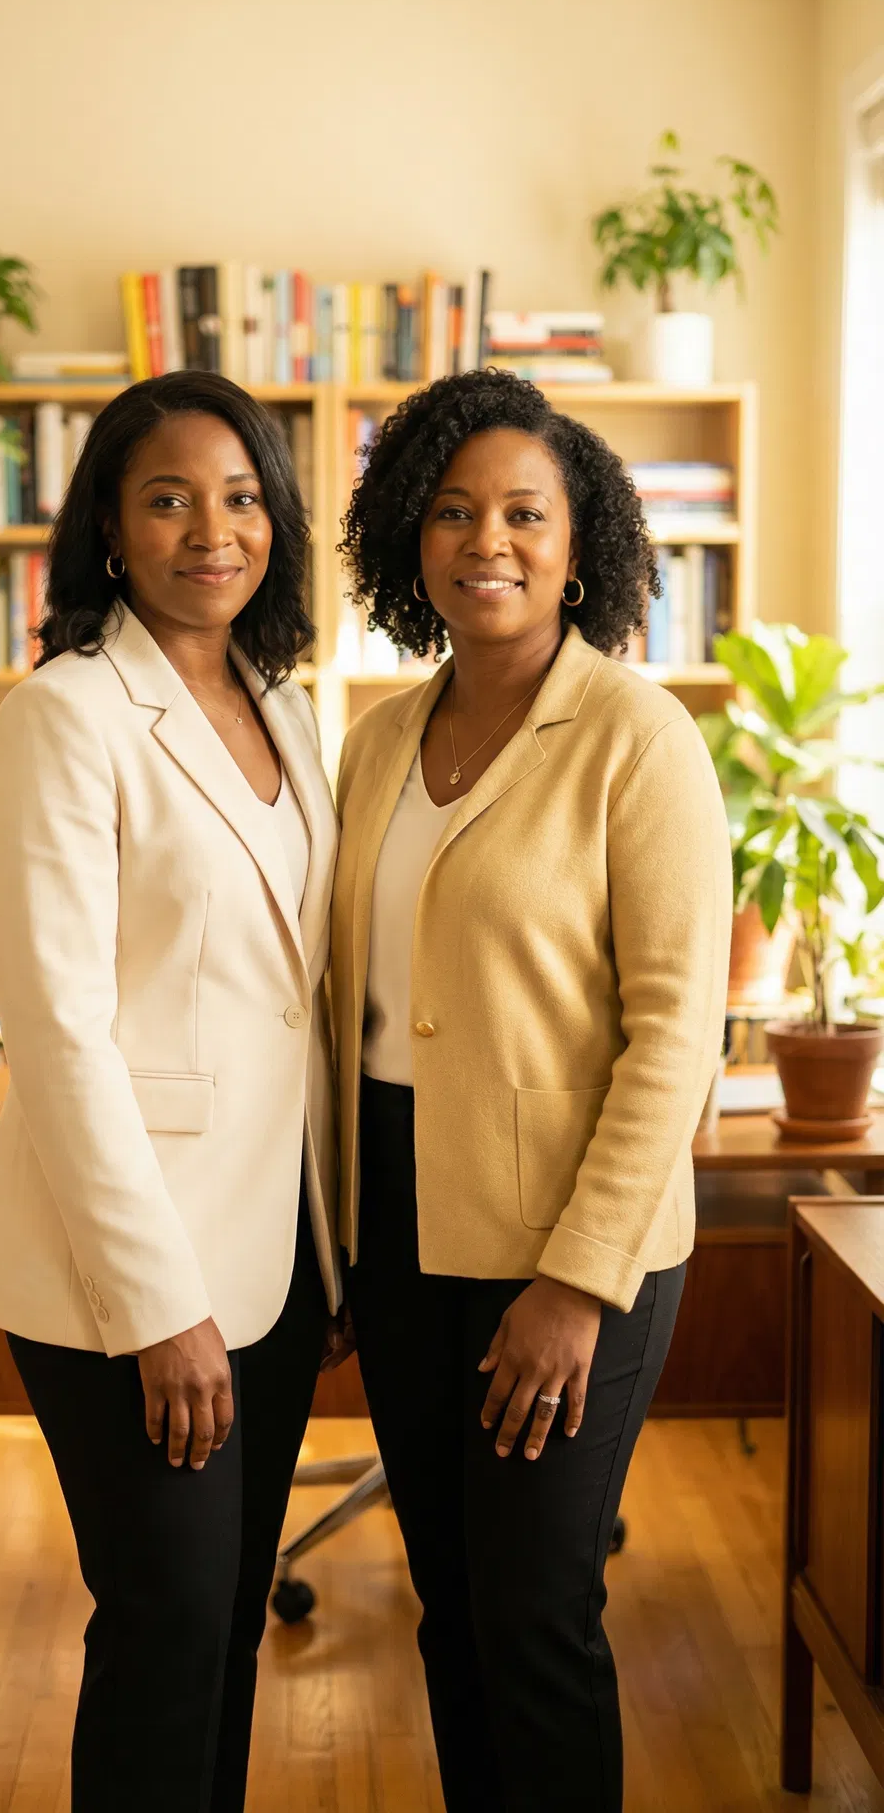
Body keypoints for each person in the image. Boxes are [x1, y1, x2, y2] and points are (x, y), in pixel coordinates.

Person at [330, 368, 731, 1812]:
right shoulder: (376, 742)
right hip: (398, 1220)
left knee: (538, 1616)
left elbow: (678, 1030)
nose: (484, 540)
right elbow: (346, 1012)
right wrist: (328, 1242)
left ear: (582, 543)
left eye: (522, 513)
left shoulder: (639, 738)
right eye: (451, 512)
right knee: (452, 1603)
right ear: (408, 540)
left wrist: (574, 1285)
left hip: (572, 1244)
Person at [0, 370, 345, 1813]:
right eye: (170, 499)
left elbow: (290, 1008)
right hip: (130, 1279)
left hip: (272, 1258)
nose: (214, 530)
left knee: (223, 1632)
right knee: (167, 1626)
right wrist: (159, 1309)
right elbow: (57, 1034)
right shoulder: (65, 716)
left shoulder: (284, 709)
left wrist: (327, 1244)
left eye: (243, 496)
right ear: (111, 534)